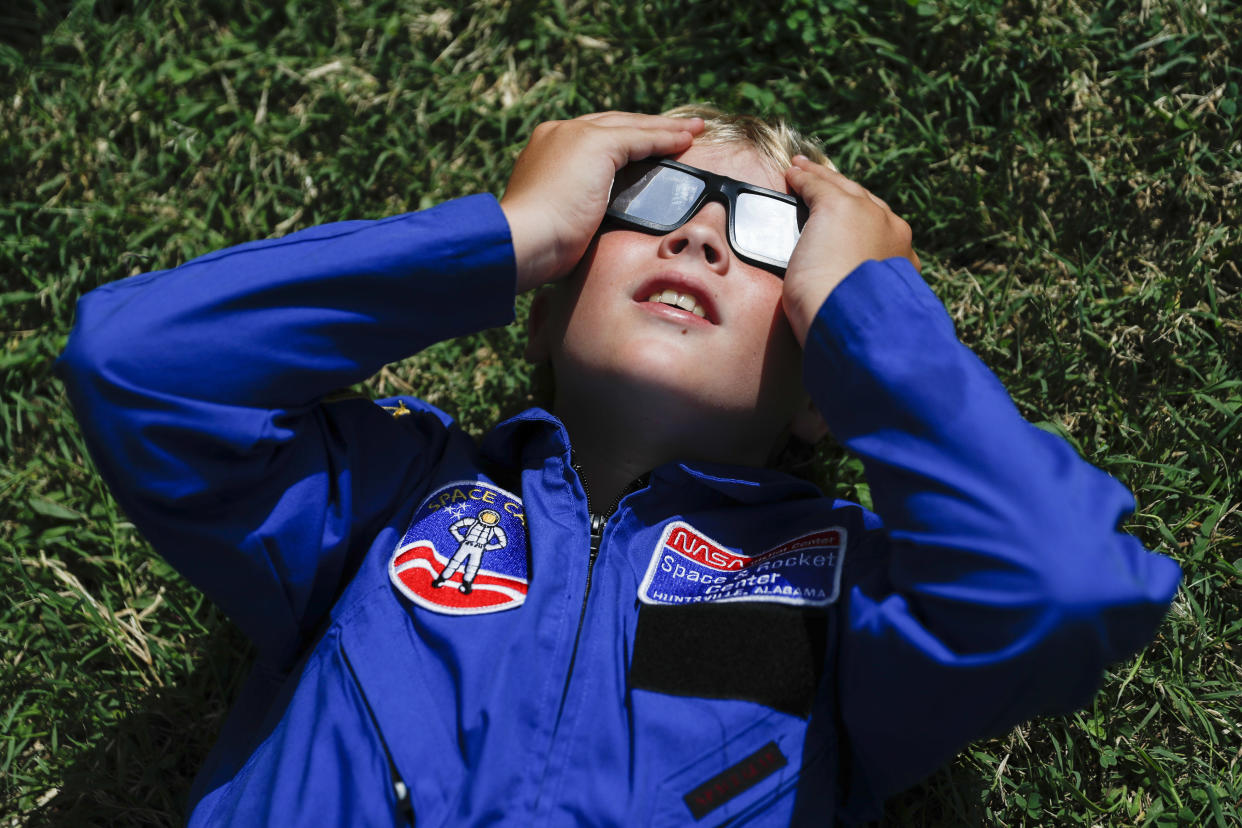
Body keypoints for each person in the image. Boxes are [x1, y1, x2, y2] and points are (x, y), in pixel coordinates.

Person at [57, 107, 1181, 826]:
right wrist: (501, 234)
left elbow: (1060, 584)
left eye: (772, 237)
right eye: (650, 205)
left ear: (823, 392)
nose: (697, 239)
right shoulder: (384, 506)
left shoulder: (840, 607)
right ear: (544, 312)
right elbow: (138, 370)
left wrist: (869, 322)